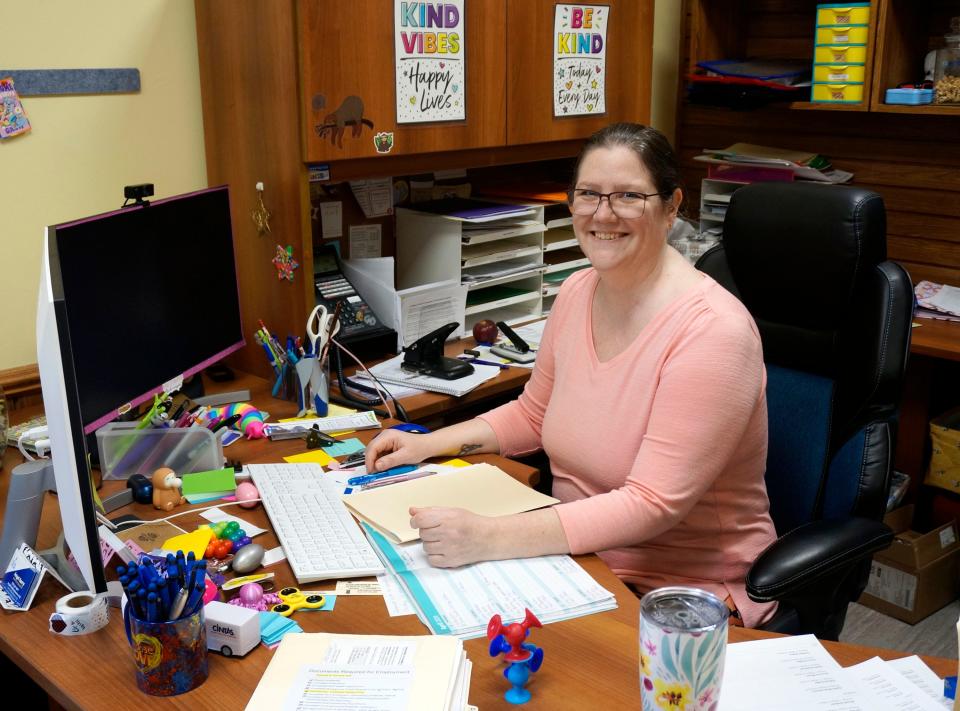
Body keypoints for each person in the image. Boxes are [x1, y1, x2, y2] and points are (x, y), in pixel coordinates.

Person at [365, 123, 778, 627]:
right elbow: (534, 414)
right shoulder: (578, 291)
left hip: (678, 595)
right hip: (575, 563)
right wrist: (428, 444)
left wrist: (489, 537)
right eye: (588, 195)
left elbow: (652, 504)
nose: (603, 214)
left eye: (628, 195)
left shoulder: (713, 332)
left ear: (671, 207)